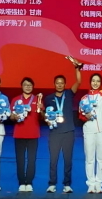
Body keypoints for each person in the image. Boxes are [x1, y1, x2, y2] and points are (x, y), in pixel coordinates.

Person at [42, 58, 82, 193]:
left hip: (68, 132)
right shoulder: (48, 98)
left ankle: (67, 184)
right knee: (53, 160)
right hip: (54, 133)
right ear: (54, 84)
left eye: (62, 83)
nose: (59, 85)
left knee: (68, 160)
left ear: (65, 84)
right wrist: (46, 119)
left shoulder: (69, 94)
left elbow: (78, 82)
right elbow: (44, 113)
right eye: (57, 83)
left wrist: (77, 68)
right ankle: (52, 184)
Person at [81, 54, 102, 193]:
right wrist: (85, 116)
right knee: (89, 159)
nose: (95, 83)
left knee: (101, 159)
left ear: (100, 83)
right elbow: (80, 115)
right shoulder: (84, 98)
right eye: (93, 81)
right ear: (90, 82)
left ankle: (99, 184)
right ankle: (91, 184)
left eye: (98, 81)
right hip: (89, 131)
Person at [11, 77, 42, 192]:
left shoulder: (37, 99)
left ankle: (29, 182)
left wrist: (41, 109)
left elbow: (42, 116)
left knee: (31, 160)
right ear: (22, 86)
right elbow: (11, 116)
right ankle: (21, 182)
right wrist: (14, 117)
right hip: (19, 134)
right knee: (20, 160)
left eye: (30, 85)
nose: (27, 87)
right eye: (25, 85)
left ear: (33, 87)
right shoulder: (15, 99)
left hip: (33, 134)